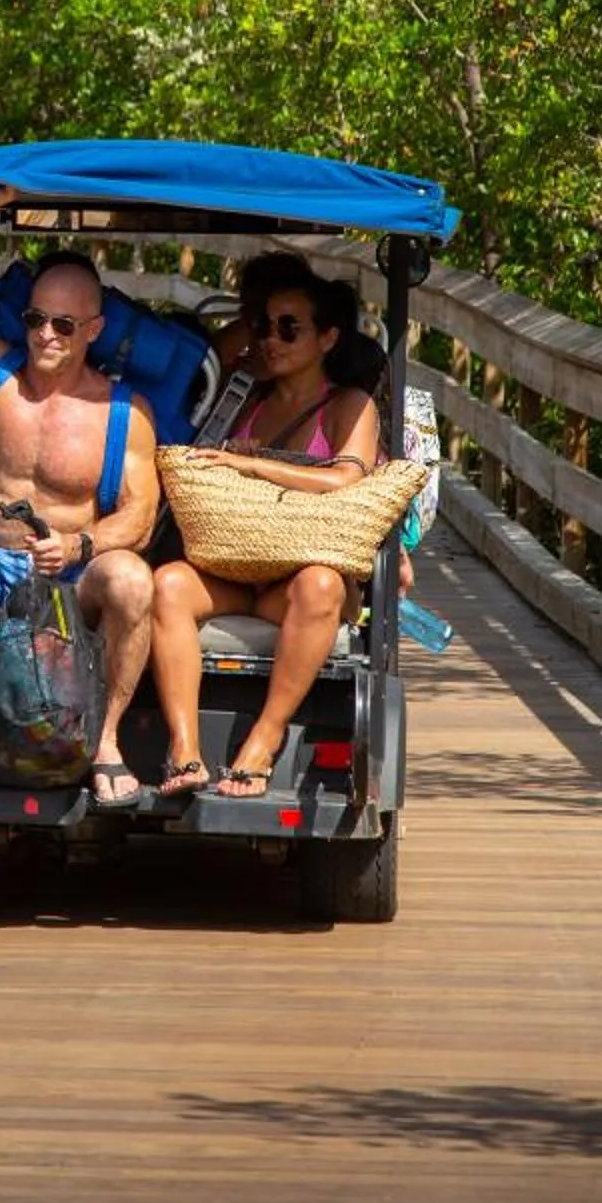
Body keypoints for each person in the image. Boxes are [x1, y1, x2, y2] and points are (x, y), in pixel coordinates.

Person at [0, 185, 161, 808]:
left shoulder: (122, 411)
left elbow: (142, 515)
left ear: (94, 330)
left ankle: (104, 743)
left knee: (132, 579)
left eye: (65, 324)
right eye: (35, 319)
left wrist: (82, 543)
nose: (46, 334)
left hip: (78, 574)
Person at [146, 262, 381, 801]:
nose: (271, 340)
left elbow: (348, 476)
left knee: (322, 583)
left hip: (300, 581)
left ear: (327, 338)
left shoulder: (350, 405)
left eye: (289, 328)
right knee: (169, 584)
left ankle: (264, 738)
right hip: (238, 568)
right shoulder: (244, 399)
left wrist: (253, 466)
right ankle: (184, 748)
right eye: (263, 326)